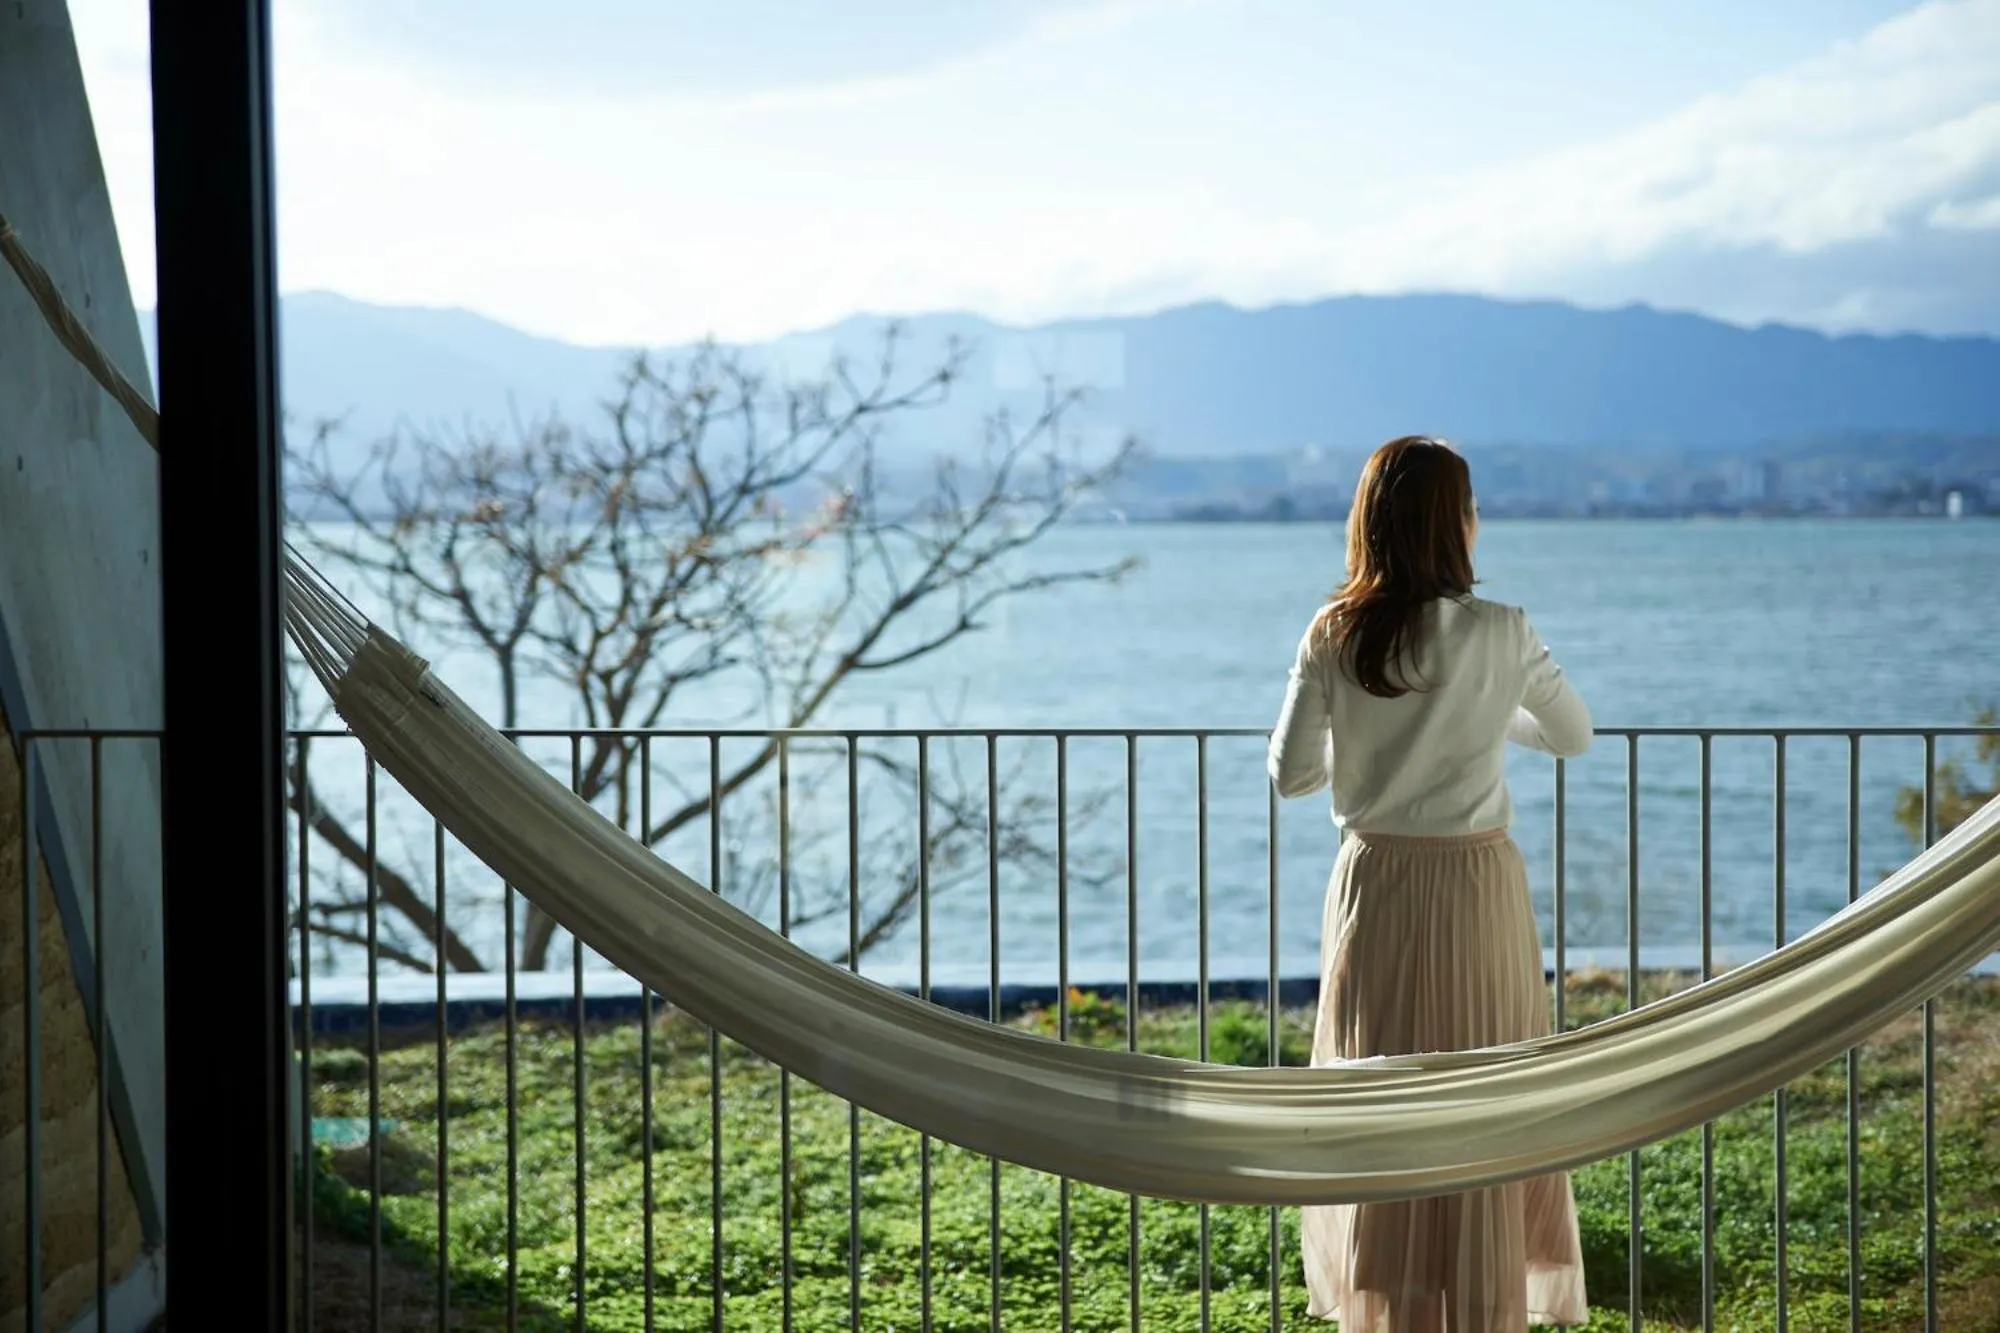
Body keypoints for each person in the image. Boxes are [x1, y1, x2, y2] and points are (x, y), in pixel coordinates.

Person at [1268, 435, 1592, 1332]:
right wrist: (1483, 719)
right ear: (1460, 522)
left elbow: (1292, 776)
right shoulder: (1504, 631)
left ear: (1368, 522)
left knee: (1380, 1095)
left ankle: (1389, 1305)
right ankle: (1486, 1300)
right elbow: (1571, 736)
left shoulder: (1334, 632)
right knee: (1487, 1093)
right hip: (1478, 884)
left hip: (1378, 886)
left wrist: (1374, 744)